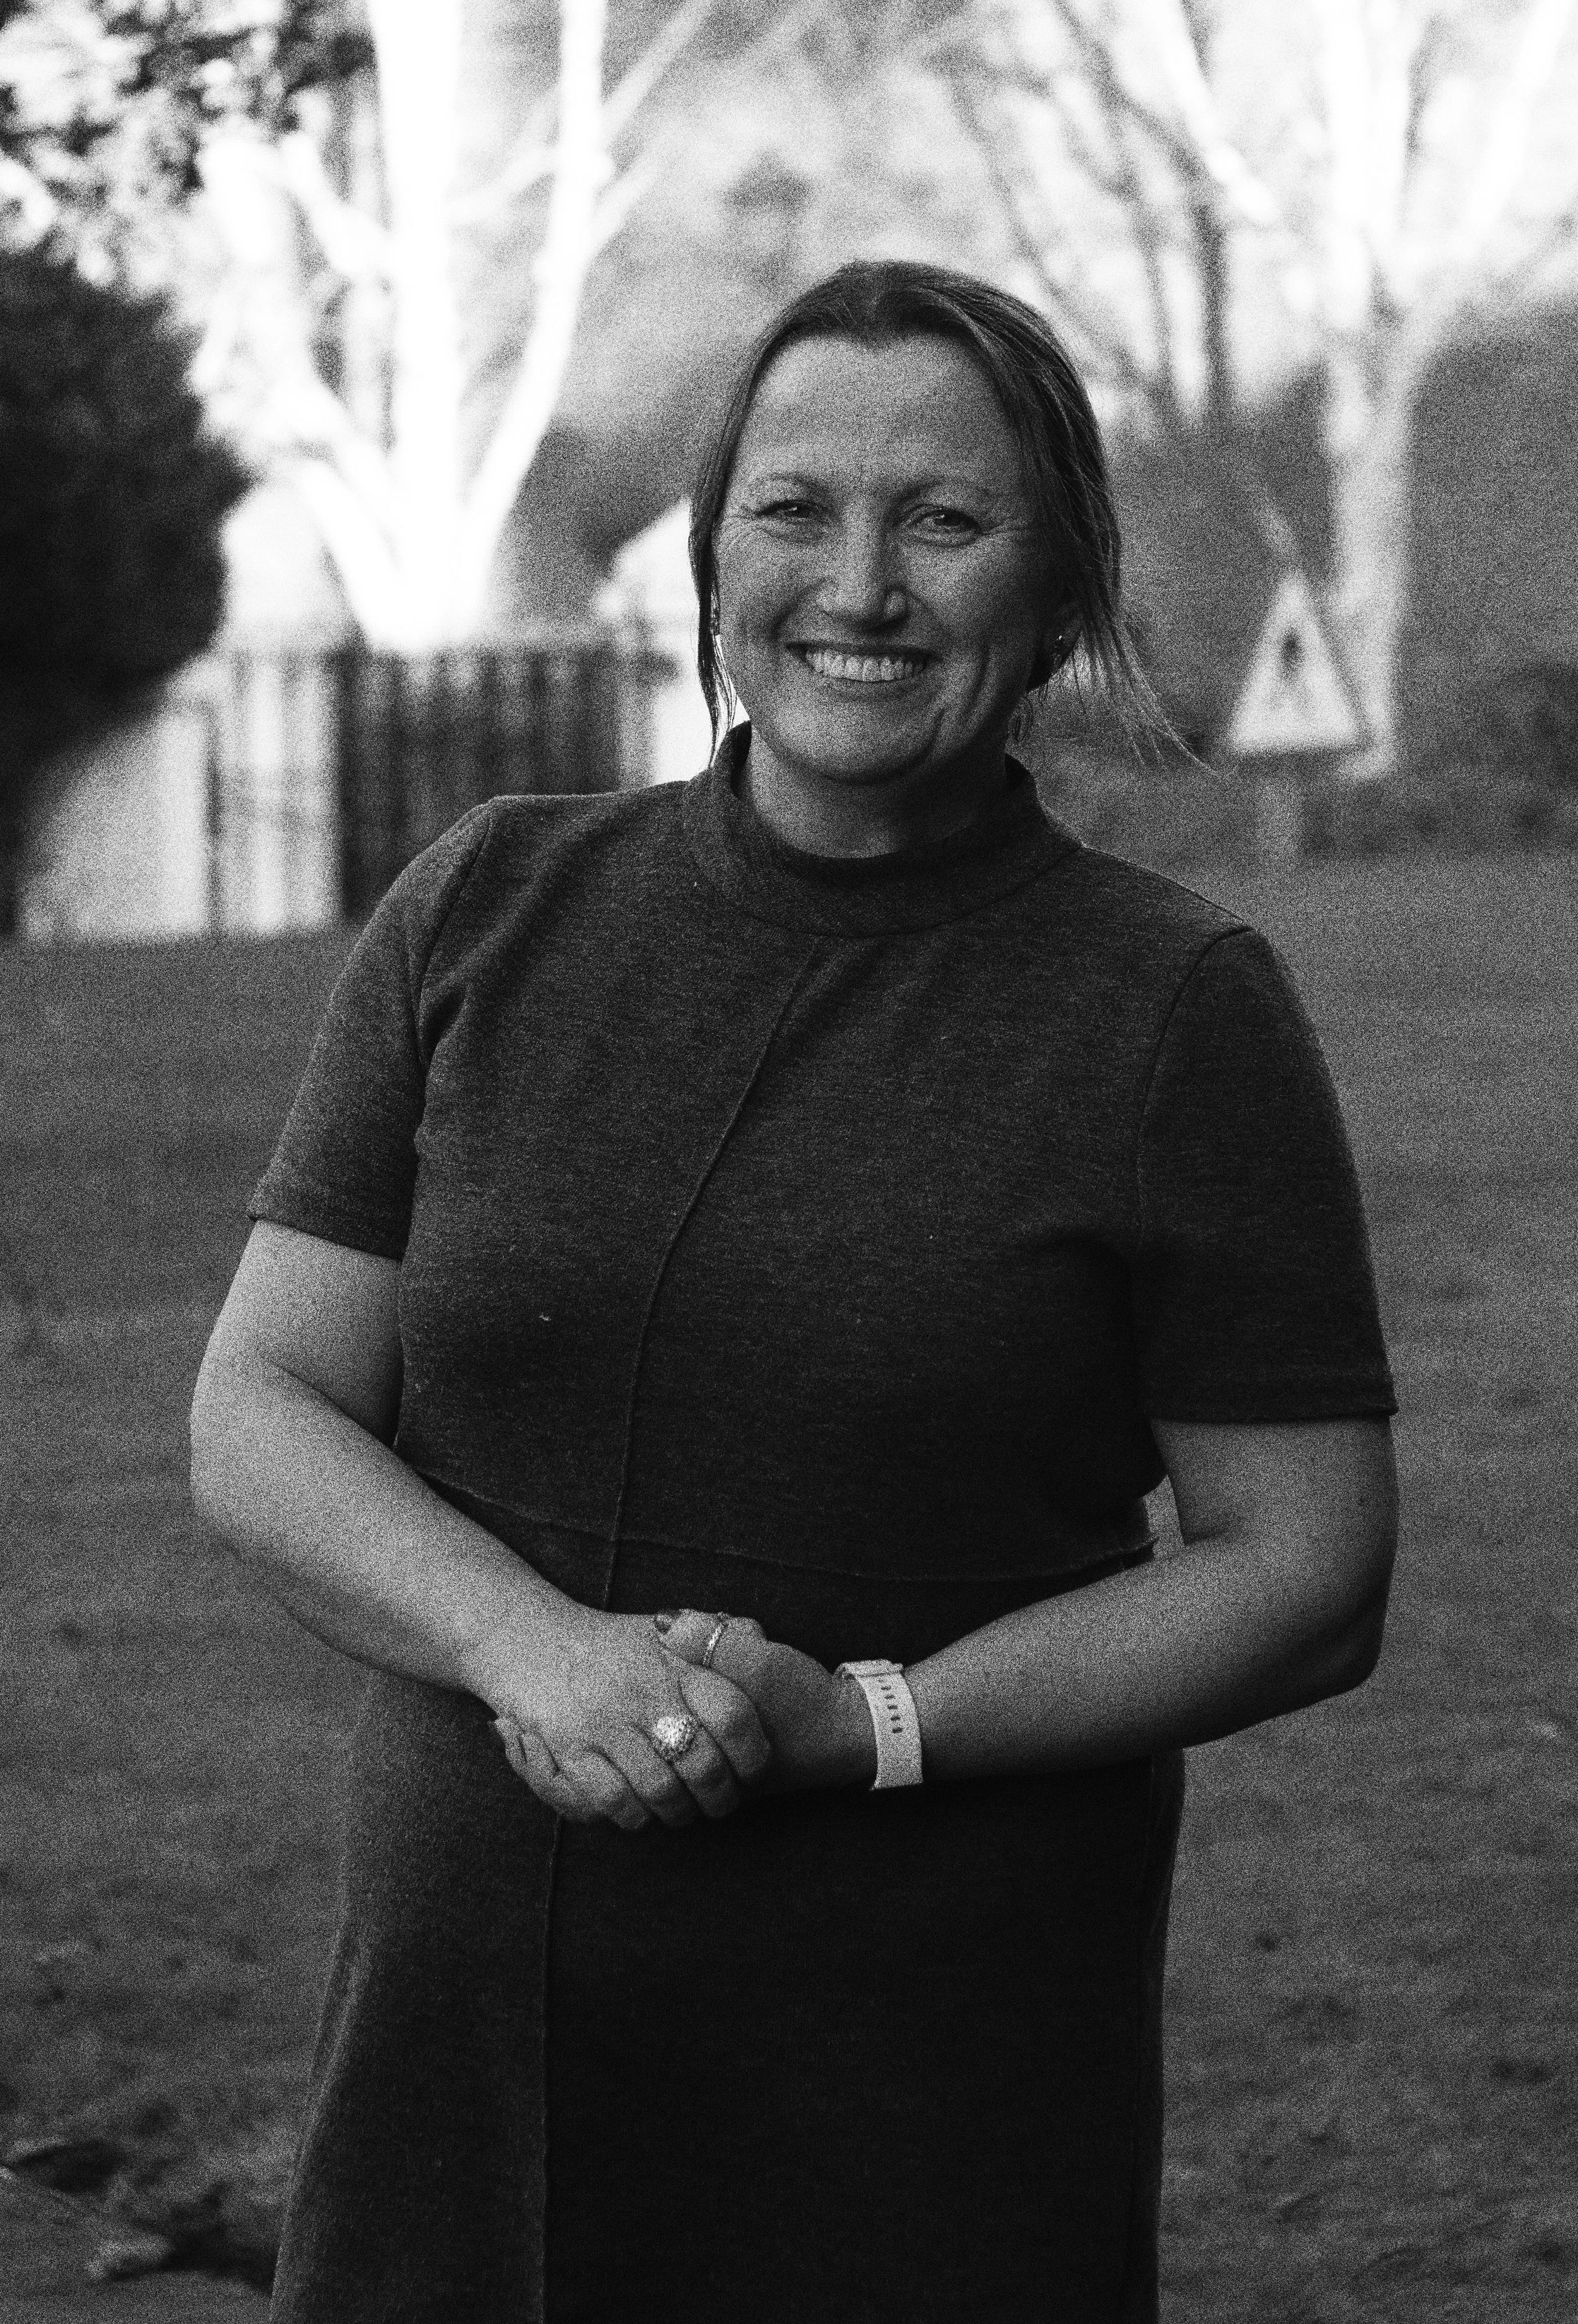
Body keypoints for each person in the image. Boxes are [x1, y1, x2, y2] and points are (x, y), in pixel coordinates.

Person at [189, 260, 1398, 2324]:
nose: (863, 583)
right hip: (463, 2048)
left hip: (923, 2072)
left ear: (1053, 578)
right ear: (709, 546)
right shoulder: (488, 904)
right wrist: (534, 1657)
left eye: (945, 519)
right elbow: (266, 1406)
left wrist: (861, 1726)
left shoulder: (1171, 1007)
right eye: (794, 510)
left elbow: (1304, 1566)